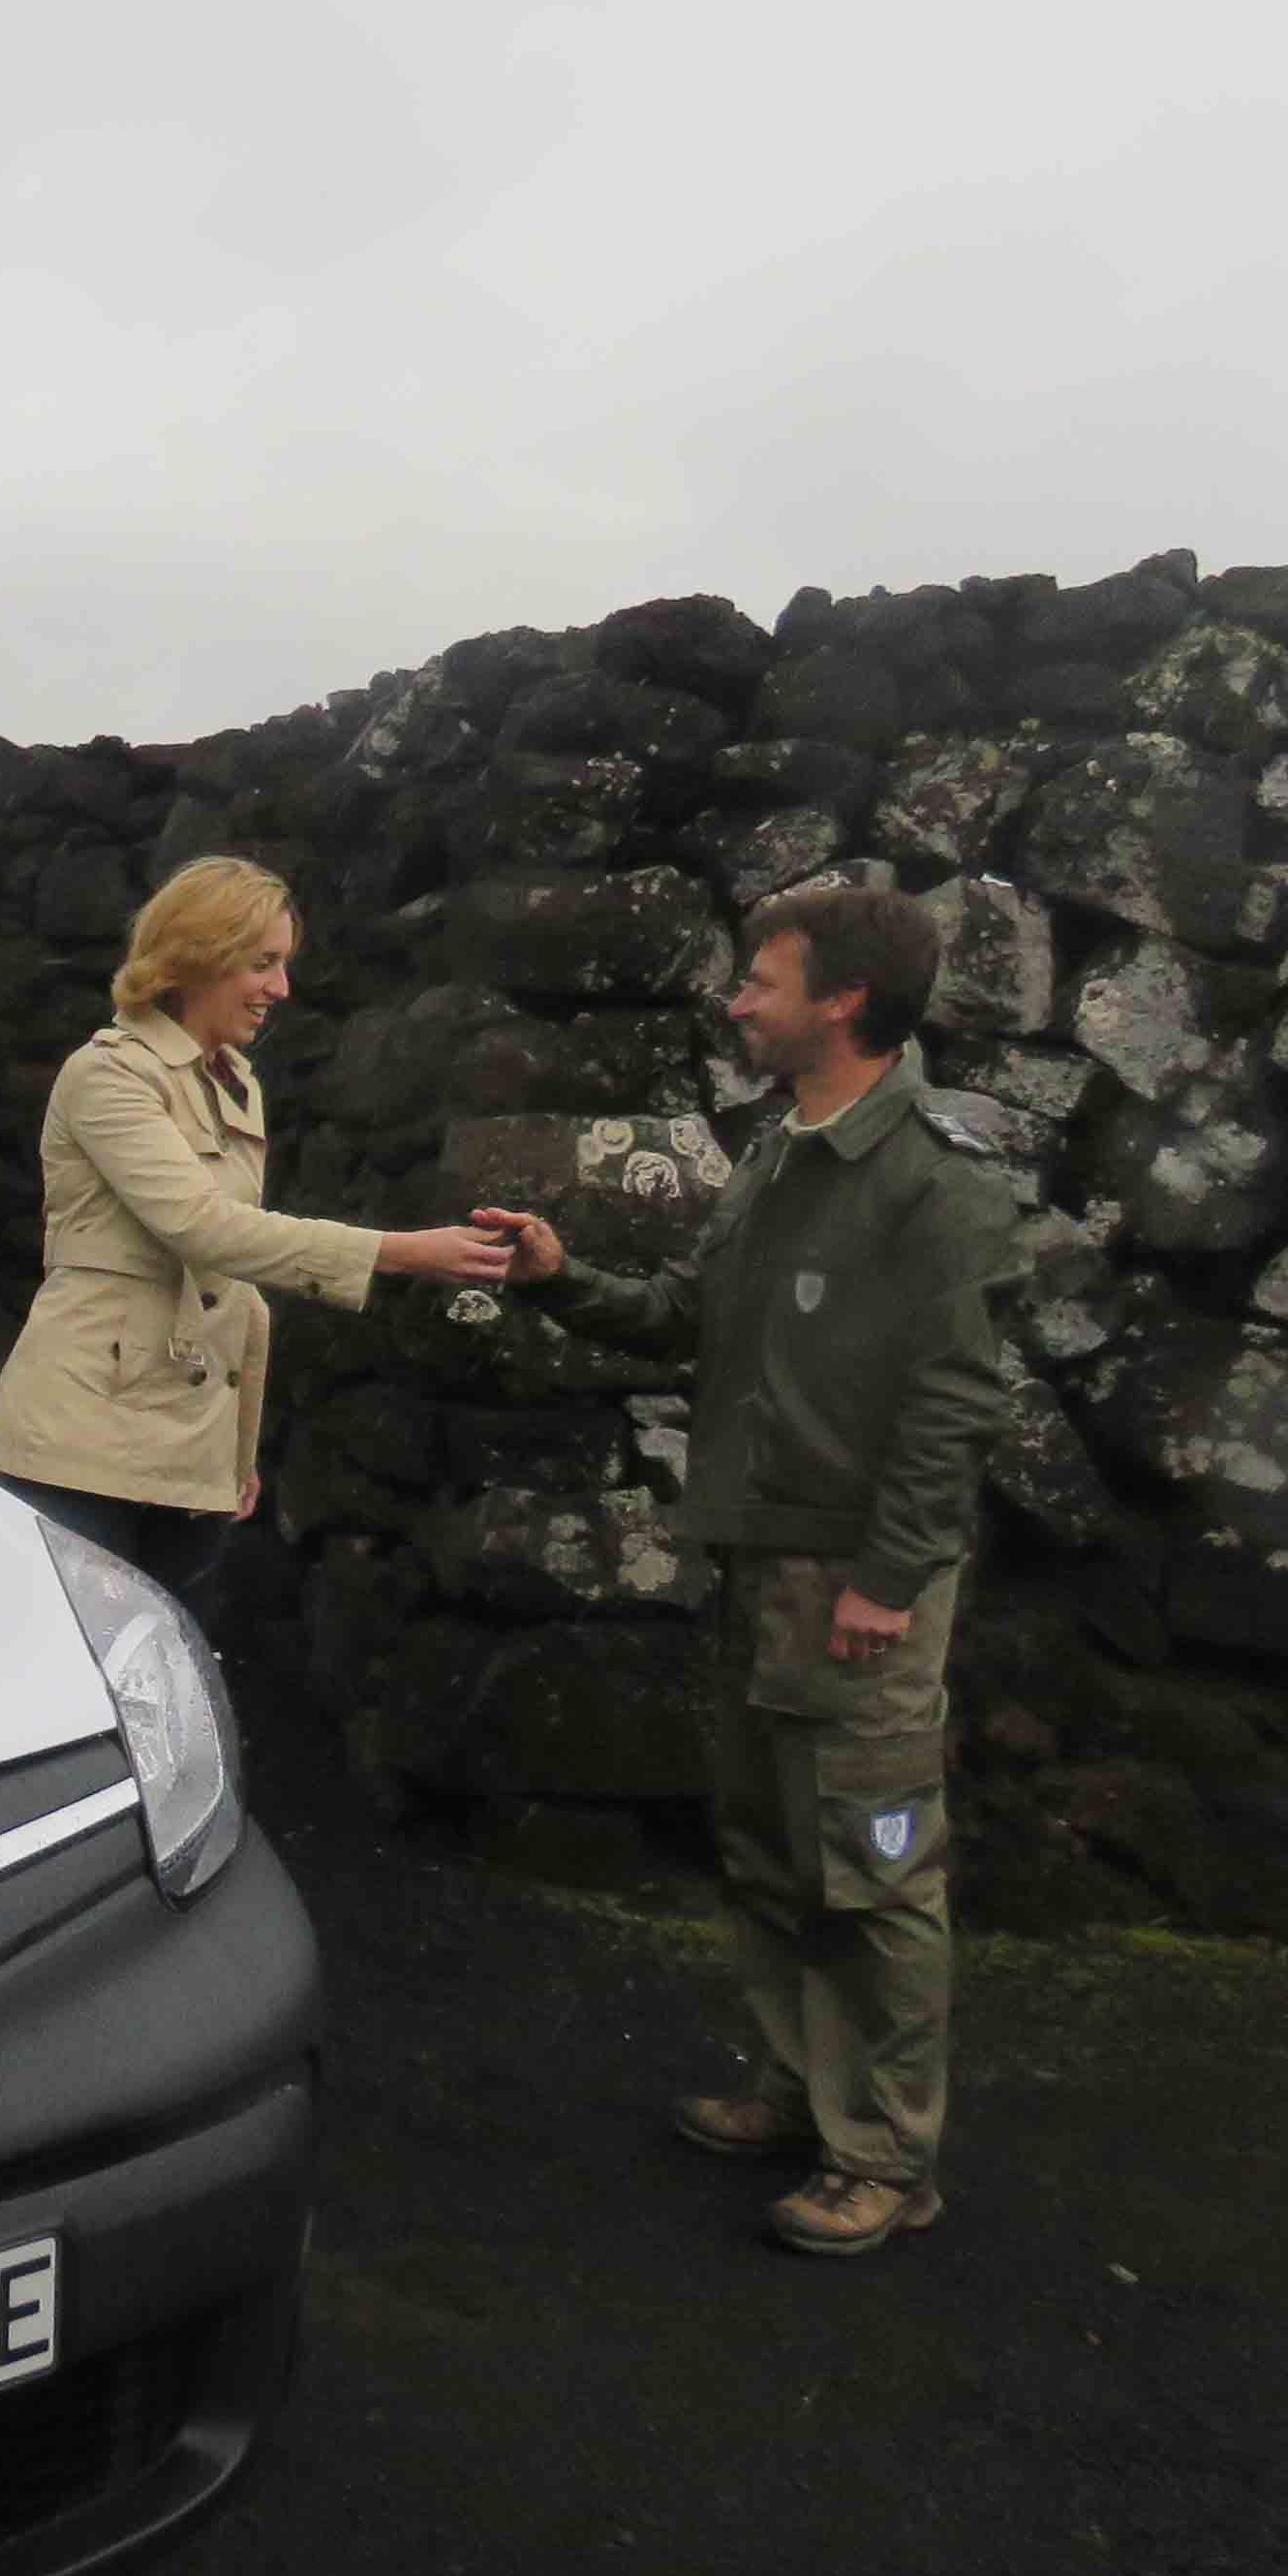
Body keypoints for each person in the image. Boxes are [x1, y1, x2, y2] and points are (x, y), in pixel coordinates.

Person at [472, 881, 1018, 2259]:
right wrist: (559, 1275)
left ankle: (888, 2159)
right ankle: (800, 2094)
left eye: (762, 980)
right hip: (763, 1576)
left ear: (843, 1000)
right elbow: (685, 1321)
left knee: (879, 1874)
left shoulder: (934, 1180)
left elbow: (954, 1402)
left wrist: (888, 1585)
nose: (737, 1001)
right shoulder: (781, 1152)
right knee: (774, 1854)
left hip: (857, 1592)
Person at [0, 853, 515, 1593]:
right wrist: (399, 1252)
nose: (281, 989)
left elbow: (224, 1287)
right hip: (79, 1446)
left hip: (188, 1450)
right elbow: (205, 1230)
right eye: (263, 963)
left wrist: (232, 1452)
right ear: (201, 955)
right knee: (80, 1687)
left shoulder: (234, 1083)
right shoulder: (108, 1073)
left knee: (171, 1684)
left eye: (284, 964)